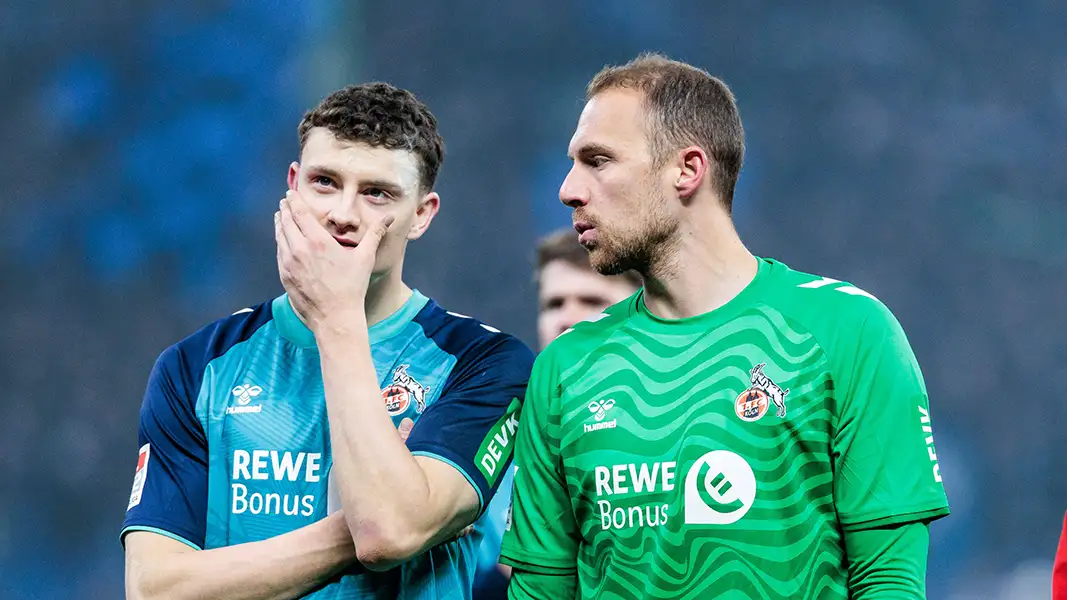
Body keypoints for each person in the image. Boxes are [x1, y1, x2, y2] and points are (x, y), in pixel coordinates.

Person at [499, 53, 951, 599]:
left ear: (687, 170)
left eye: (598, 160)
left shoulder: (848, 331)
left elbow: (888, 580)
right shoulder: (565, 367)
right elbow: (540, 592)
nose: (569, 188)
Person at [121, 82, 534, 599]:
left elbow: (389, 533)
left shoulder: (486, 362)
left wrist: (337, 314)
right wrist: (377, 516)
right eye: (324, 182)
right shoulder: (197, 365)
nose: (343, 213)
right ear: (292, 185)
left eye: (377, 193)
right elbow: (155, 591)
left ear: (422, 214)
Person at [473, 229, 640, 596]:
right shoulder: (494, 437)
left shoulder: (682, 425)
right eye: (554, 304)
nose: (567, 318)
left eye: (592, 300)